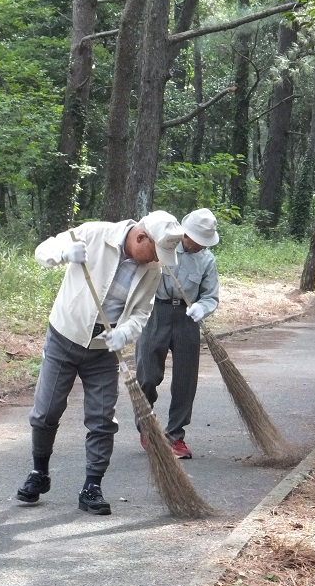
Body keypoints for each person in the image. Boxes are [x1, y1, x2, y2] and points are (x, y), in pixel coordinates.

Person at [16, 211, 184, 516]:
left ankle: (92, 486)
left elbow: (142, 313)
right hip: (64, 337)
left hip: (103, 350)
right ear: (140, 237)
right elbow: (43, 251)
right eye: (156, 252)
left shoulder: (152, 269)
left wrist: (126, 333)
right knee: (46, 412)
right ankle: (39, 474)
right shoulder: (95, 234)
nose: (157, 260)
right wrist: (64, 254)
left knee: (102, 420)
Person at [134, 208, 220, 460]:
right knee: (147, 374)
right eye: (197, 240)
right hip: (155, 312)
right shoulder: (163, 247)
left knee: (185, 380)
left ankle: (176, 436)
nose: (200, 246)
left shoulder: (207, 260)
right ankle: (147, 429)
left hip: (187, 318)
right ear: (186, 234)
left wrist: (201, 308)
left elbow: (210, 295)